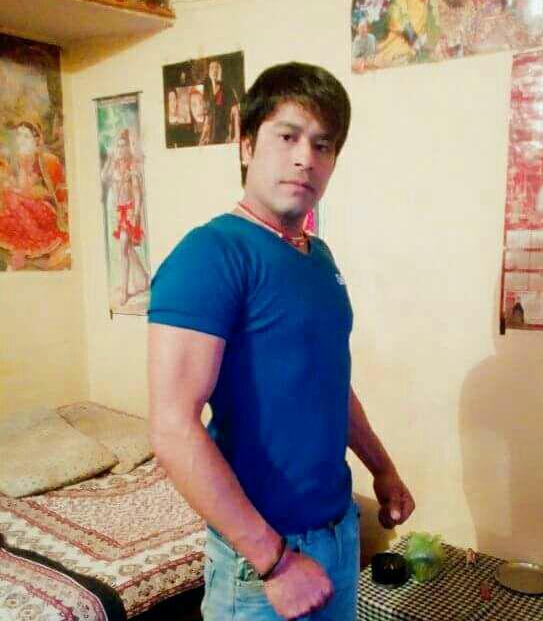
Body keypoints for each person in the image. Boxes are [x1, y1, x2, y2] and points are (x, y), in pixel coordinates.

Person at [147, 61, 415, 621]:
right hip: (262, 562)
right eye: (287, 136)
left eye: (323, 145)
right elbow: (172, 428)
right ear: (247, 145)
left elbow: (328, 383)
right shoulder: (211, 254)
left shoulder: (319, 257)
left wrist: (382, 467)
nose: (305, 158)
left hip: (339, 534)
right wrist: (275, 562)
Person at [0, 120, 68, 270]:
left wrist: (27, 192)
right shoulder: (15, 161)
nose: (21, 139)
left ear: (35, 139)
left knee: (12, 197)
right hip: (21, 211)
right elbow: (13, 188)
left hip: (43, 212)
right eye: (19, 135)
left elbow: (53, 193)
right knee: (10, 204)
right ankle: (22, 252)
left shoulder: (47, 160)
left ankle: (38, 240)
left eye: (26, 136)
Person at [100, 128, 149, 306]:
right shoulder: (114, 166)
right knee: (127, 248)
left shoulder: (132, 169)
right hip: (118, 212)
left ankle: (124, 290)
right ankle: (143, 278)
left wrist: (136, 215)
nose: (120, 150)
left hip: (129, 212)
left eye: (123, 146)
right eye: (118, 146)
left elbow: (138, 194)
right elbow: (103, 177)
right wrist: (109, 159)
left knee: (123, 249)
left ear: (128, 148)